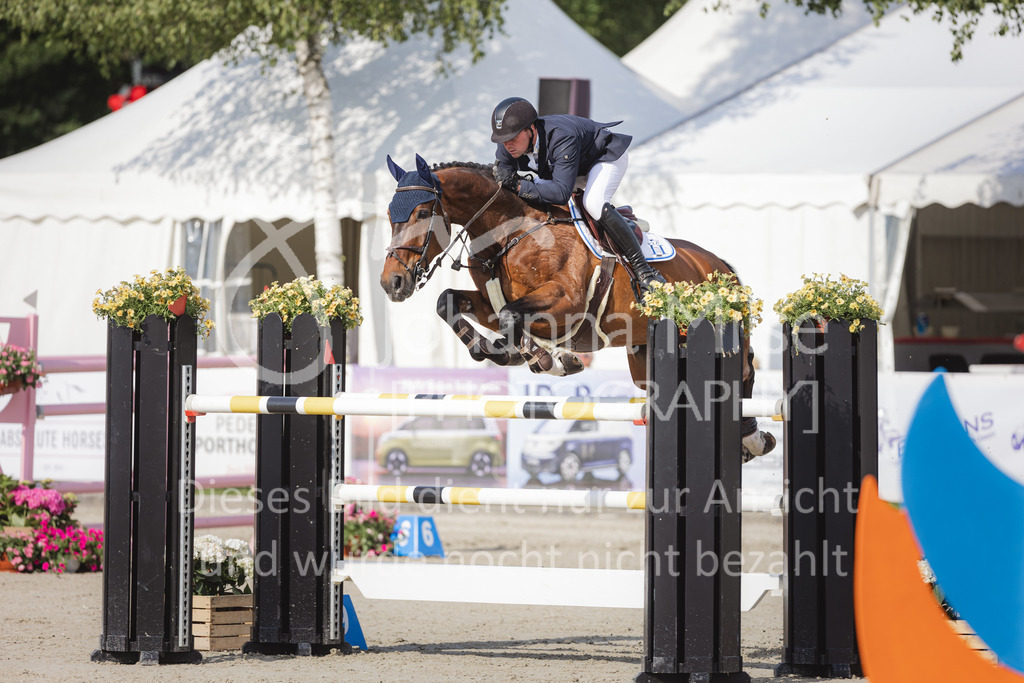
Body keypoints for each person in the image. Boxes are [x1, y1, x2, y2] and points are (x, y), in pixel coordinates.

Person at [489, 96, 665, 294]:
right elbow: (506, 183)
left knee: (593, 202)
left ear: (531, 129)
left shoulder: (561, 136)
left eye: (513, 137)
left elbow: (560, 193)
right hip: (568, 170)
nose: (507, 145)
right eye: (503, 140)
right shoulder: (506, 146)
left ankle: (645, 272)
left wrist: (520, 185)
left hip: (604, 159)